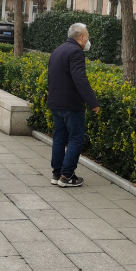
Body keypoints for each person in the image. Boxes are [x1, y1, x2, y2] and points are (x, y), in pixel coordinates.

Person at [47, 23, 100, 187]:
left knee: (59, 139)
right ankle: (67, 176)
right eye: (88, 37)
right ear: (81, 37)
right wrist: (93, 102)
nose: (88, 41)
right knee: (76, 138)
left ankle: (57, 174)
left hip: (56, 102)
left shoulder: (58, 50)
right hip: (71, 104)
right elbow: (80, 79)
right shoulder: (76, 52)